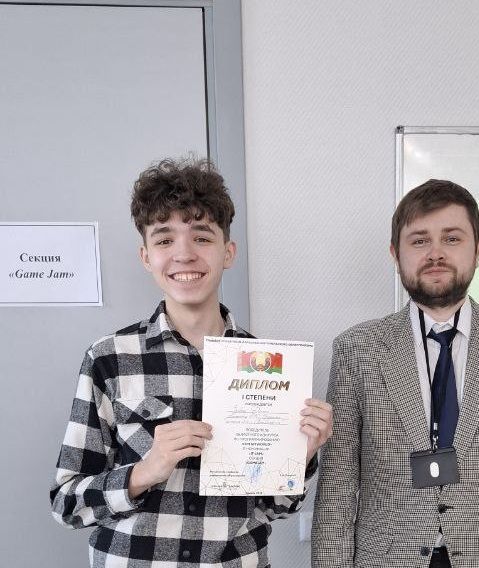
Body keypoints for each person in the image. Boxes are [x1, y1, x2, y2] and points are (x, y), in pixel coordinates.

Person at [51, 157, 333, 567]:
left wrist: (300, 456)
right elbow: (66, 503)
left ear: (228, 252)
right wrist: (145, 471)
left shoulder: (274, 367)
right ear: (146, 257)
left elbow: (278, 508)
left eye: (201, 237)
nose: (184, 254)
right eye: (165, 240)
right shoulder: (108, 358)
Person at [312, 179, 479, 567]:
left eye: (452, 238)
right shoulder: (357, 349)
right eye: (419, 240)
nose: (435, 253)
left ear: (478, 248)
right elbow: (337, 487)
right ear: (395, 253)